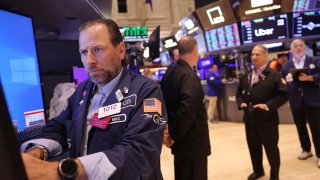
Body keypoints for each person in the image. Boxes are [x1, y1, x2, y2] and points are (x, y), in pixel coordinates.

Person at [20, 19, 167, 180]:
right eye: (84, 52)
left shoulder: (146, 90)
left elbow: (140, 152)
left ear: (120, 50)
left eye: (98, 50)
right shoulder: (83, 90)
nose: (89, 61)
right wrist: (38, 151)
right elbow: (60, 127)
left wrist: (63, 170)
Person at [160, 35, 211, 180]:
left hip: (181, 144)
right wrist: (173, 135)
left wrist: (169, 131)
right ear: (195, 51)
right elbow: (187, 110)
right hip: (192, 144)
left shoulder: (170, 73)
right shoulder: (189, 75)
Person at [236, 44, 288, 180]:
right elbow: (238, 93)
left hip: (267, 120)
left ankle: (274, 175)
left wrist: (267, 105)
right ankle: (258, 171)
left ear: (266, 56)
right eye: (252, 54)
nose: (254, 57)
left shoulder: (274, 75)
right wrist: (240, 102)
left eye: (257, 54)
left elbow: (283, 95)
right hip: (250, 119)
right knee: (254, 148)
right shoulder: (246, 75)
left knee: (271, 150)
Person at [281, 39, 320, 168]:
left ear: (304, 48)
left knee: (317, 128)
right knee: (300, 127)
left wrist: (310, 78)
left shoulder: (314, 60)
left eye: (300, 46)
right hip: (296, 101)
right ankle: (306, 150)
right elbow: (285, 80)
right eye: (295, 46)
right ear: (291, 50)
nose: (298, 48)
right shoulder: (286, 65)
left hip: (313, 100)